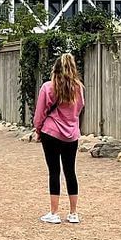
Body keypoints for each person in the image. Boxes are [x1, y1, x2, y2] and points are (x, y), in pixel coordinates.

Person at [34, 53, 85, 224]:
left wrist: (39, 130)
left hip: (51, 132)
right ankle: (73, 213)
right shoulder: (78, 88)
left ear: (54, 69)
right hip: (72, 134)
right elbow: (79, 109)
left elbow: (40, 113)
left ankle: (54, 213)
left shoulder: (48, 87)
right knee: (70, 171)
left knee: (54, 171)